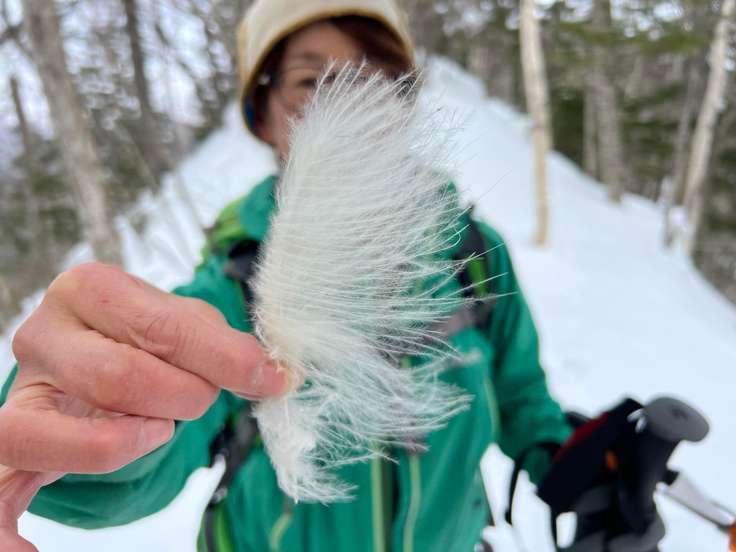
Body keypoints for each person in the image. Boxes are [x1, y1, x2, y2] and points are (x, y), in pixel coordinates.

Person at [0, 1, 665, 551]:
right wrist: (82, 418)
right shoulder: (238, 286)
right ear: (263, 114)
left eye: (374, 79)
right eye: (313, 82)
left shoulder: (472, 254)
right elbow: (147, 456)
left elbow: (520, 399)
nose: (350, 103)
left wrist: (578, 468)